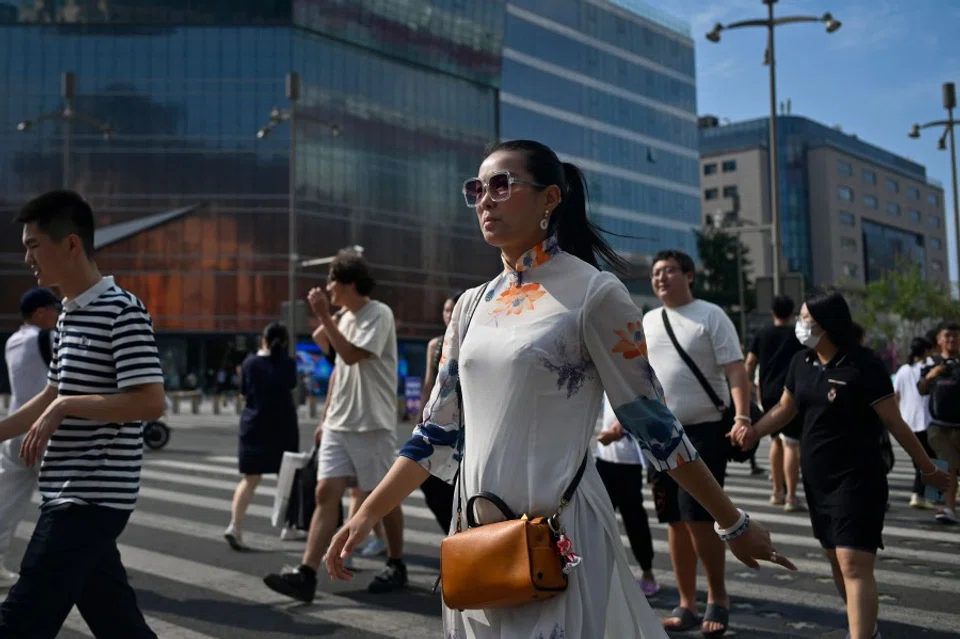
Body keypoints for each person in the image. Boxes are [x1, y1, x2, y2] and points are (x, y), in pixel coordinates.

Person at [324, 140, 794, 639]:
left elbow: (655, 425)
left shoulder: (596, 294)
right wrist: (368, 512)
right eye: (477, 189)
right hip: (479, 538)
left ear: (550, 198)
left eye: (502, 185)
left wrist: (733, 523)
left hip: (560, 534)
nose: (485, 199)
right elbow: (435, 431)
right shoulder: (469, 305)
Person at [733, 291, 949, 639]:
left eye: (807, 320)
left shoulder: (864, 364)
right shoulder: (801, 362)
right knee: (836, 561)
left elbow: (896, 423)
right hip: (818, 479)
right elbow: (786, 409)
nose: (801, 326)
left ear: (828, 324)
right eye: (801, 318)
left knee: (853, 563)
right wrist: (754, 431)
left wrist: (927, 468)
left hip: (859, 477)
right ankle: (867, 627)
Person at [0, 190, 165, 638]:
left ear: (71, 244)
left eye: (34, 245)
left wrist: (67, 407)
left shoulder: (122, 311)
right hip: (67, 491)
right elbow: (50, 395)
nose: (28, 258)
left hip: (89, 496)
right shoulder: (68, 319)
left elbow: (151, 400)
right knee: (119, 625)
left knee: (20, 621)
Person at [263, 250, 406, 602]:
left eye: (333, 282)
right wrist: (325, 417)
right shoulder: (344, 317)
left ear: (350, 284)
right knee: (325, 492)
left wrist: (325, 316)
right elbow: (336, 366)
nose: (328, 288)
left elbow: (353, 355)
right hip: (340, 421)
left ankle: (396, 562)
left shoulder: (378, 314)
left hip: (370, 423)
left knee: (381, 499)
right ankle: (307, 572)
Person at [641, 248, 751, 635]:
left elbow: (735, 370)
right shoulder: (649, 320)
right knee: (673, 521)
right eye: (656, 272)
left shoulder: (711, 315)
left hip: (704, 431)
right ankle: (686, 602)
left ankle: (717, 599)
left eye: (670, 270)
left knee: (700, 519)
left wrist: (741, 415)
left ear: (689, 276)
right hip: (660, 434)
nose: (661, 277)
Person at [0, 287, 60, 588]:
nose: (58, 314)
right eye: (54, 308)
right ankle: (77, 567)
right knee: (66, 504)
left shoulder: (12, 341)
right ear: (40, 312)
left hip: (14, 429)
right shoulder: (48, 339)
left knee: (6, 503)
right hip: (43, 432)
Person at [224, 322, 299, 550]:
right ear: (285, 342)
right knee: (285, 478)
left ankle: (235, 526)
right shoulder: (288, 363)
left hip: (254, 425)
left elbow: (245, 392)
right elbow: (292, 385)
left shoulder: (249, 363)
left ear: (262, 340)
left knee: (250, 479)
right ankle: (290, 526)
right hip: (283, 425)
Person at [746, 295, 806, 512]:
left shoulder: (762, 334)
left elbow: (750, 363)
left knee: (775, 441)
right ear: (792, 314)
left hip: (768, 394)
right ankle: (791, 496)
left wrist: (749, 387)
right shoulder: (797, 335)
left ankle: (776, 492)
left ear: (773, 313)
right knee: (791, 442)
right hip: (790, 394)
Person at [595, 393, 658, 597]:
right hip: (604, 460)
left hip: (629, 462)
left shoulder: (633, 372)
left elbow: (644, 409)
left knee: (634, 520)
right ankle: (599, 575)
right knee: (598, 520)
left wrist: (618, 432)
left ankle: (647, 572)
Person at [414, 291, 461, 532]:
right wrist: (421, 418)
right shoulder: (435, 345)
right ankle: (452, 531)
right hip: (439, 423)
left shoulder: (473, 339)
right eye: (446, 310)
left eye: (453, 310)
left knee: (458, 483)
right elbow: (428, 384)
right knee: (429, 481)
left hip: (465, 426)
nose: (449, 315)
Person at [917, 321, 960, 524]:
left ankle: (945, 502)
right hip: (939, 427)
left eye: (956, 336)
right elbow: (921, 389)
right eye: (947, 335)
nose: (952, 339)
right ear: (939, 339)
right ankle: (947, 508)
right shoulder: (930, 363)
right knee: (948, 464)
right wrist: (931, 376)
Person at [894, 337, 936, 509]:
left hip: (907, 421)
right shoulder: (930, 369)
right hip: (926, 421)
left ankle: (927, 494)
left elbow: (896, 395)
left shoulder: (903, 370)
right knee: (929, 459)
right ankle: (921, 494)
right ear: (926, 351)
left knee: (919, 460)